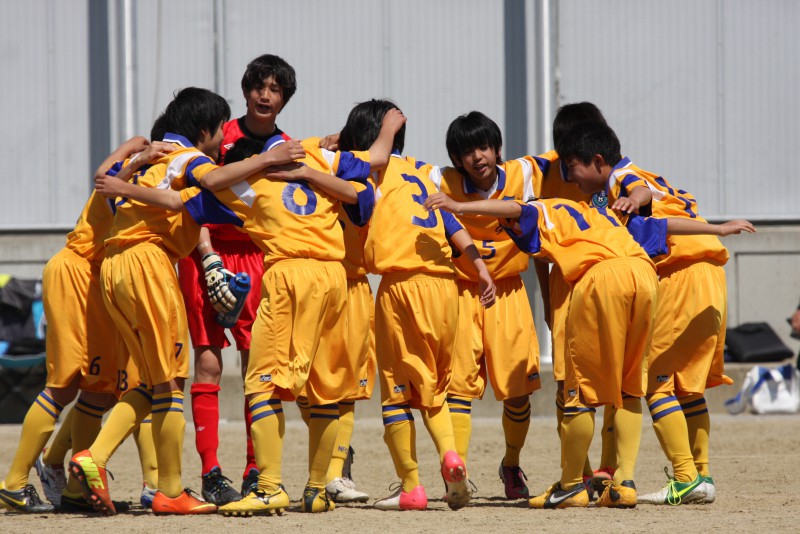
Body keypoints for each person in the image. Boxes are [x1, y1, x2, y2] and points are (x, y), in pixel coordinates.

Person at [95, 106, 405, 516]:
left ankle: (269, 487)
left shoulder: (243, 183)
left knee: (259, 384)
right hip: (337, 279)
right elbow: (368, 190)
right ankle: (316, 488)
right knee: (327, 390)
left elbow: (175, 201)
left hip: (287, 275)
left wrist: (124, 182)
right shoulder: (314, 154)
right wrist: (387, 127)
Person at [69, 87, 304, 516]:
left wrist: (133, 160)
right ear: (203, 131)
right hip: (149, 265)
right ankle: (162, 486)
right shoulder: (187, 158)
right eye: (218, 133)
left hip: (114, 268)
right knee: (173, 381)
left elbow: (109, 181)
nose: (221, 142)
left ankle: (108, 464)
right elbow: (210, 181)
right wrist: (269, 158)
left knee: (153, 382)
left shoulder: (149, 162)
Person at [423, 193, 658, 510]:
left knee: (579, 393)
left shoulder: (545, 209)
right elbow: (663, 226)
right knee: (630, 388)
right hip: (644, 273)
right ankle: (625, 483)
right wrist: (719, 229)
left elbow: (515, 208)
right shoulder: (601, 214)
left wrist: (459, 206)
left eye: (511, 227)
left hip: (600, 280)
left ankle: (571, 485)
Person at [556, 120, 739, 505]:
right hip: (709, 274)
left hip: (676, 273)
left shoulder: (624, 177)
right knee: (685, 384)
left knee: (651, 380)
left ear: (598, 160)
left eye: (572, 168)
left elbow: (639, 191)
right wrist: (719, 229)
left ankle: (686, 476)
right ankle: (701, 474)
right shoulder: (619, 188)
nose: (570, 180)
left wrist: (634, 199)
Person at [328, 100, 495, 513]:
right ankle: (451, 457)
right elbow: (452, 223)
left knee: (396, 392)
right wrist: (479, 265)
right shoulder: (424, 170)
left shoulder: (370, 167)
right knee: (434, 387)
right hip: (446, 285)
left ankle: (411, 487)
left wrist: (340, 143)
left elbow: (348, 164)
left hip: (401, 285)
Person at [0, 137, 167, 514]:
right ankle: (14, 482)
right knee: (65, 384)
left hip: (97, 278)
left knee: (102, 388)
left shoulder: (149, 171)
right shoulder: (146, 174)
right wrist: (134, 153)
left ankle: (76, 485)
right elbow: (105, 181)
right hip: (79, 272)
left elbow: (101, 176)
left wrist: (130, 151)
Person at [176, 54, 297, 503]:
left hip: (256, 257)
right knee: (207, 362)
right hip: (206, 252)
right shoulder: (218, 135)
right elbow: (192, 192)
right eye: (258, 86)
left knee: (256, 369)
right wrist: (206, 256)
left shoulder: (286, 147)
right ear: (245, 90)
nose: (265, 95)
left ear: (284, 98)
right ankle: (210, 472)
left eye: (275, 89)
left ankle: (253, 469)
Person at [417, 111, 541, 500]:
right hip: (461, 291)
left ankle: (510, 464)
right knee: (457, 388)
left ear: (497, 148)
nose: (477, 157)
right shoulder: (441, 180)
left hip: (508, 291)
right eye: (466, 151)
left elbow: (581, 166)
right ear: (456, 158)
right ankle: (459, 476)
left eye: (483, 147)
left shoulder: (525, 174)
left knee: (518, 391)